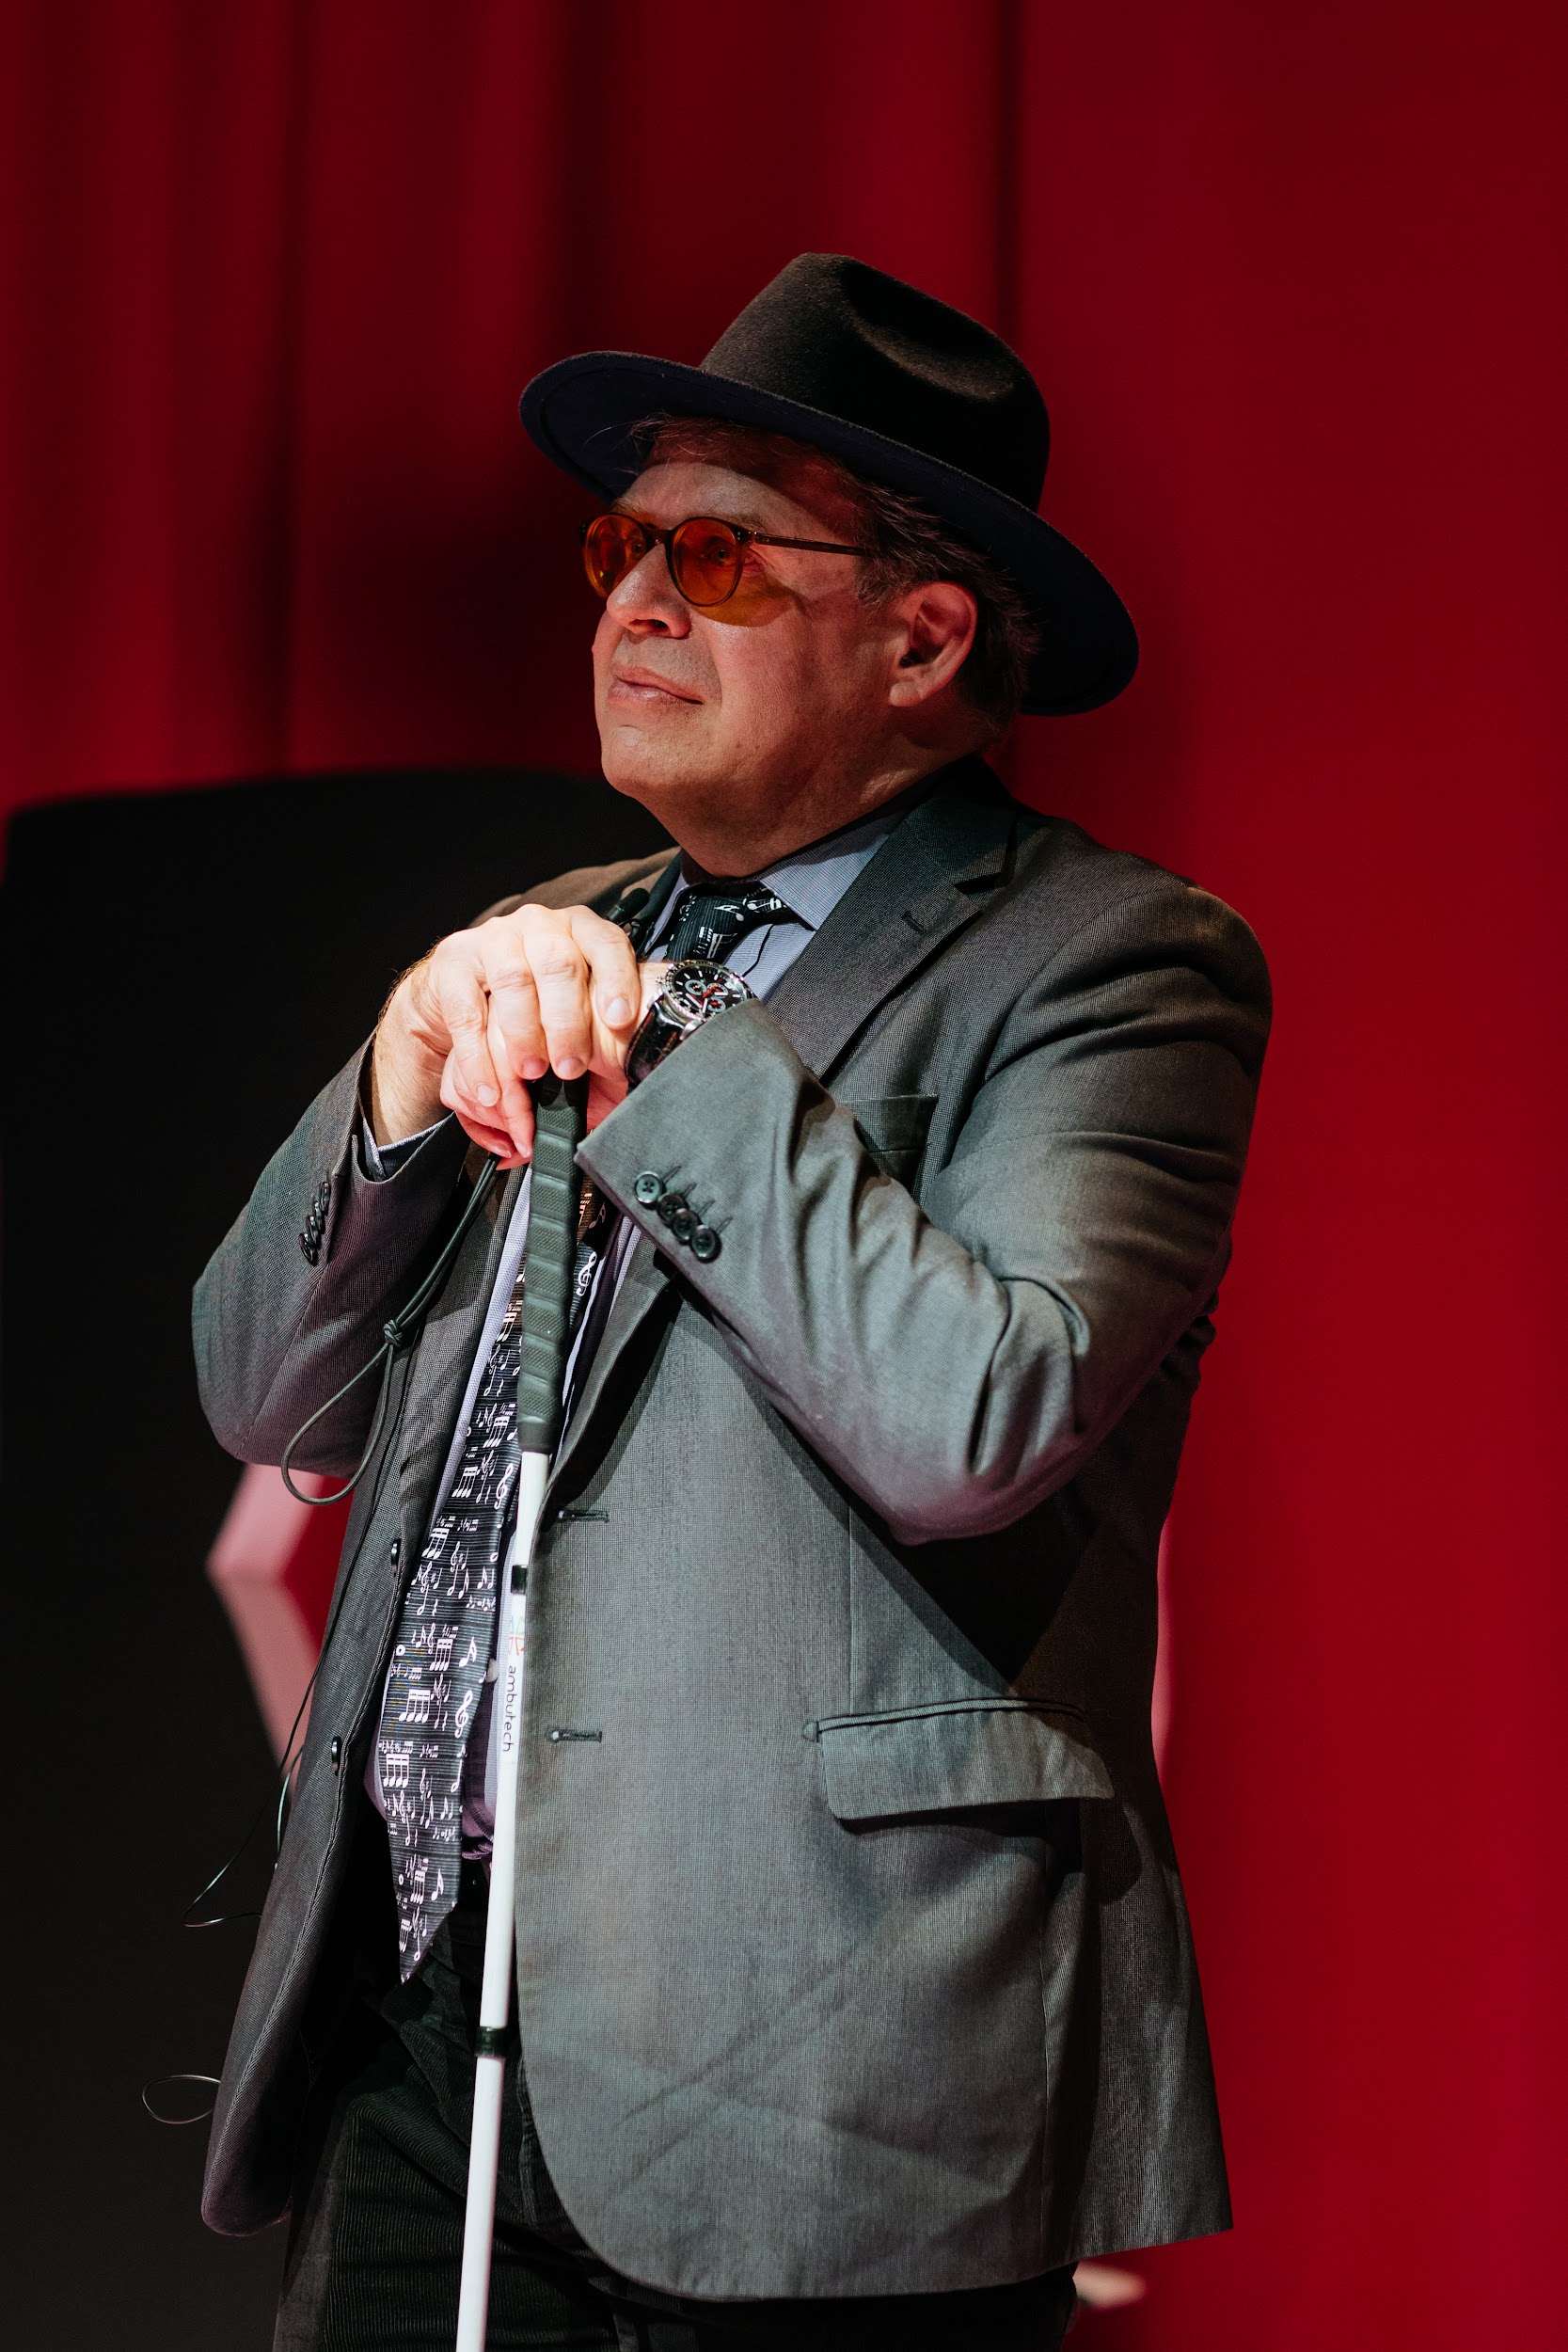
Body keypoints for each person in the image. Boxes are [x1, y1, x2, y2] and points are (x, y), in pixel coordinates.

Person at [194, 254, 1270, 2352]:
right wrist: (409, 1082)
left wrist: (680, 1045)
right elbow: (258, 1384)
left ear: (925, 635)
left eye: (715, 553)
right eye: (620, 547)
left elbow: (981, 1413)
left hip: (829, 2073)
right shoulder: (534, 937)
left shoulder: (1112, 963)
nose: (631, 605)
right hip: (422, 2042)